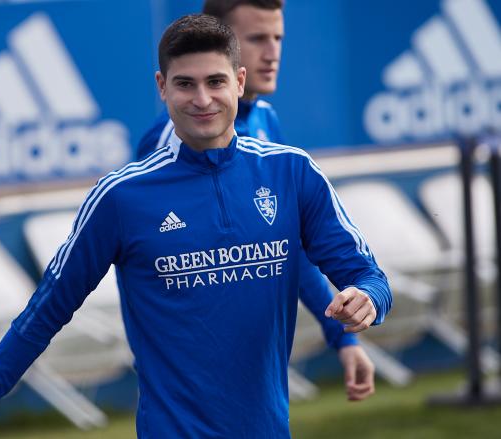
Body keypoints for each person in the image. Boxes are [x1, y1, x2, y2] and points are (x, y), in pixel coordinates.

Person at [0, 14, 391, 439]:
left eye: (216, 82)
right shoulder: (121, 197)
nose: (203, 99)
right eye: (185, 84)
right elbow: (44, 313)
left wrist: (365, 302)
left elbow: (368, 275)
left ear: (239, 81)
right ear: (162, 87)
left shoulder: (293, 172)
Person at [139, 0, 377, 402]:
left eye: (278, 37)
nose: (273, 52)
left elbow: (287, 248)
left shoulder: (266, 120)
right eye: (257, 38)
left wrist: (344, 338)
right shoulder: (173, 139)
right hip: (191, 385)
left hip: (257, 383)